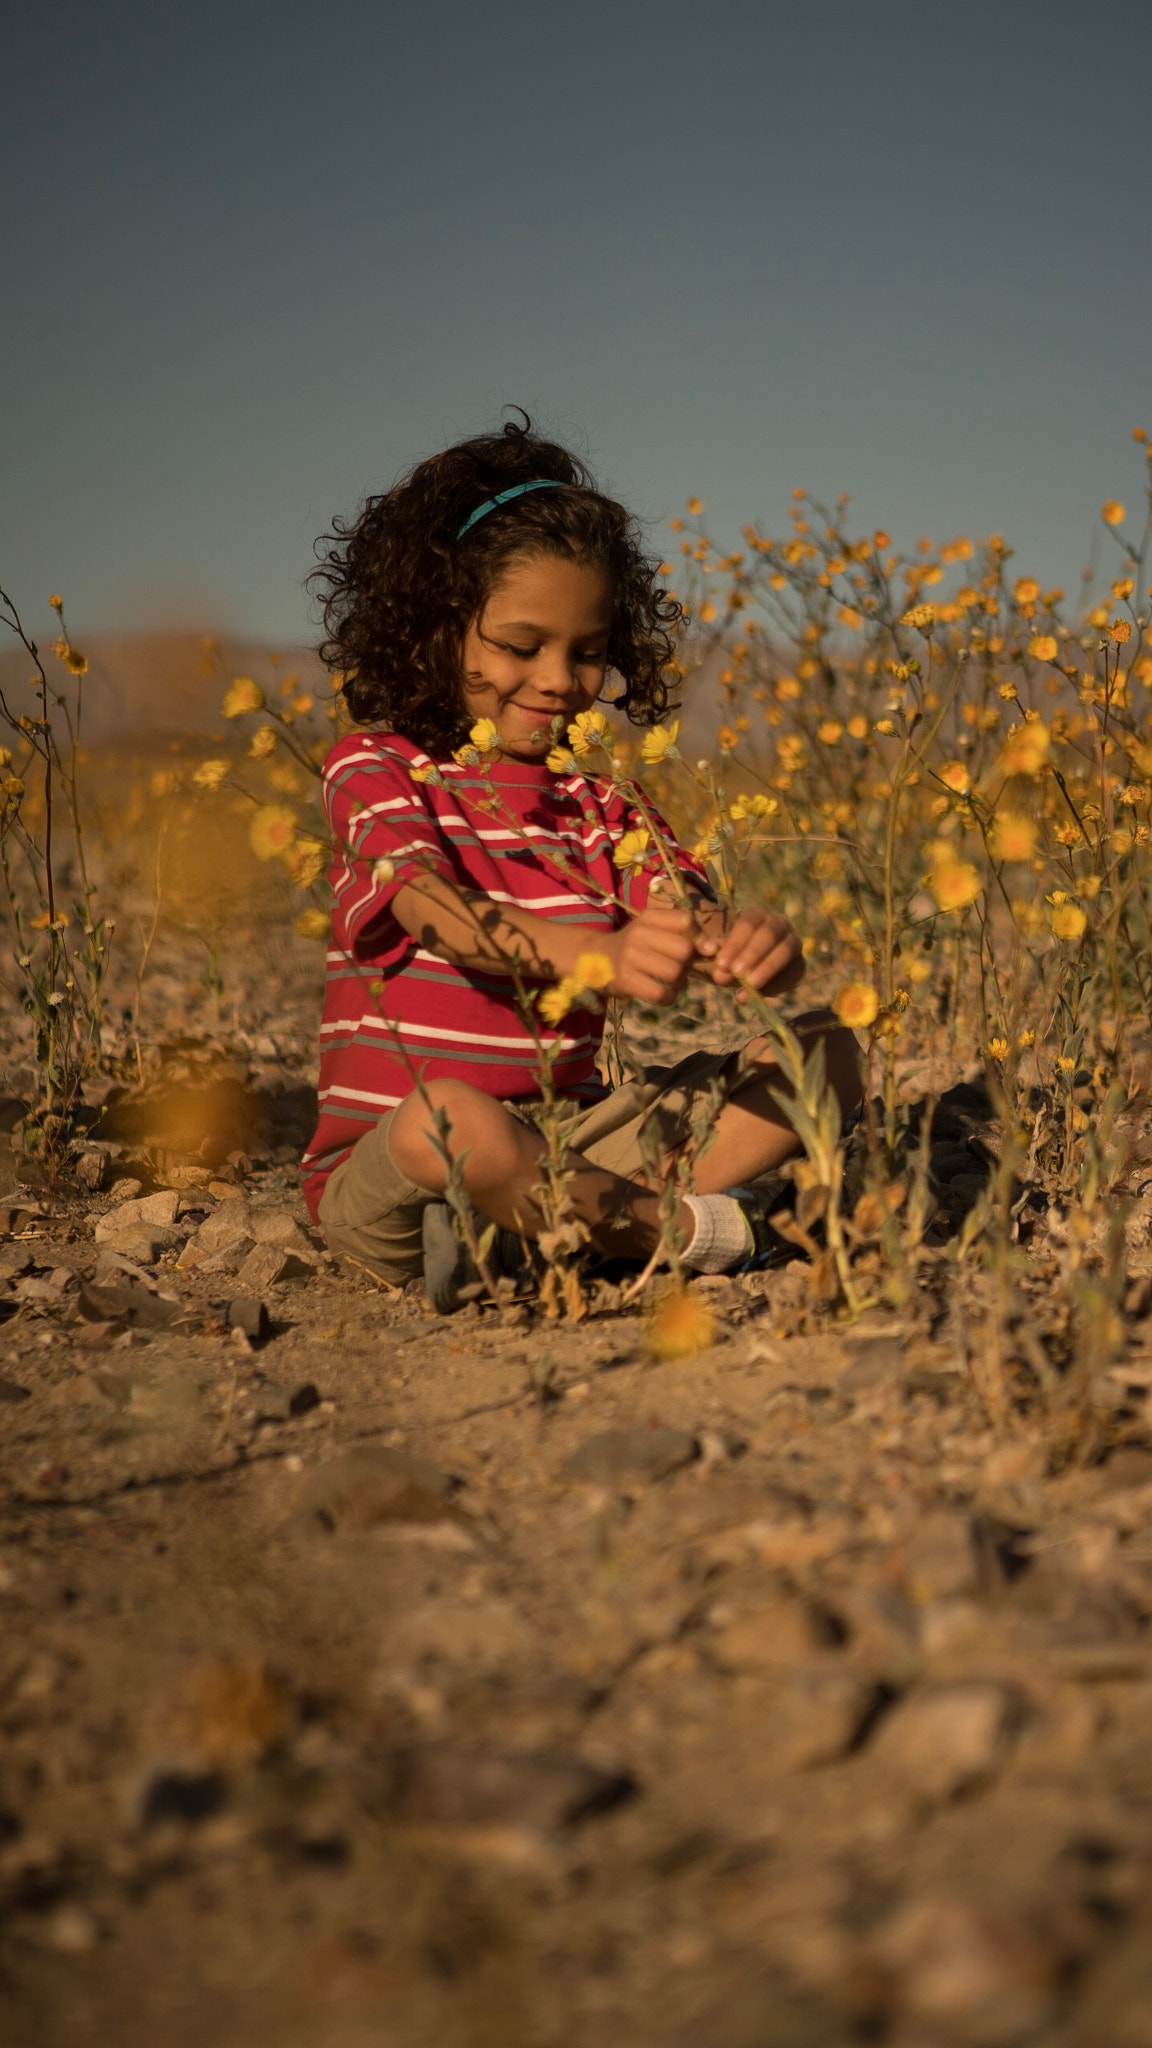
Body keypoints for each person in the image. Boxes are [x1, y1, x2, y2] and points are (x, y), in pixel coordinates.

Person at [302, 417, 862, 1310]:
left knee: (823, 1049)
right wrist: (594, 959)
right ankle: (681, 1232)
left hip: (574, 1147)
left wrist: (754, 946)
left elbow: (687, 913)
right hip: (401, 1172)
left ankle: (576, 1232)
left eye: (589, 652)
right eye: (522, 647)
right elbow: (428, 909)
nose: (561, 680)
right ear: (438, 626)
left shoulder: (603, 804)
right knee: (449, 1120)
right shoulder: (378, 766)